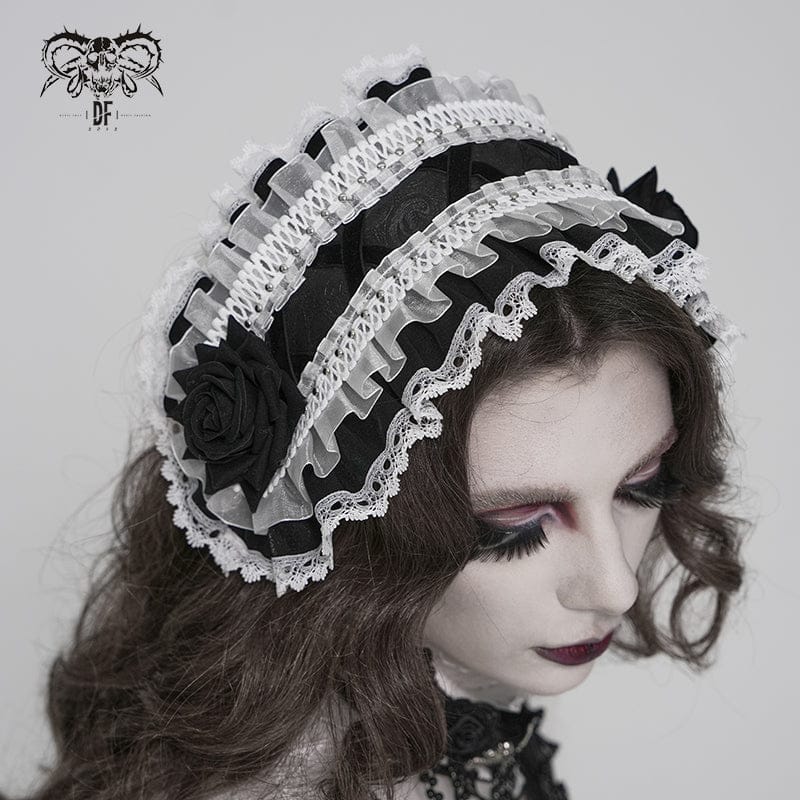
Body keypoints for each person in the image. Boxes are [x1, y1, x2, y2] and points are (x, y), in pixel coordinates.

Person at [8, 46, 748, 800]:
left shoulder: (434, 718)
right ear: (349, 527)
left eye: (641, 486)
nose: (615, 586)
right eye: (517, 525)